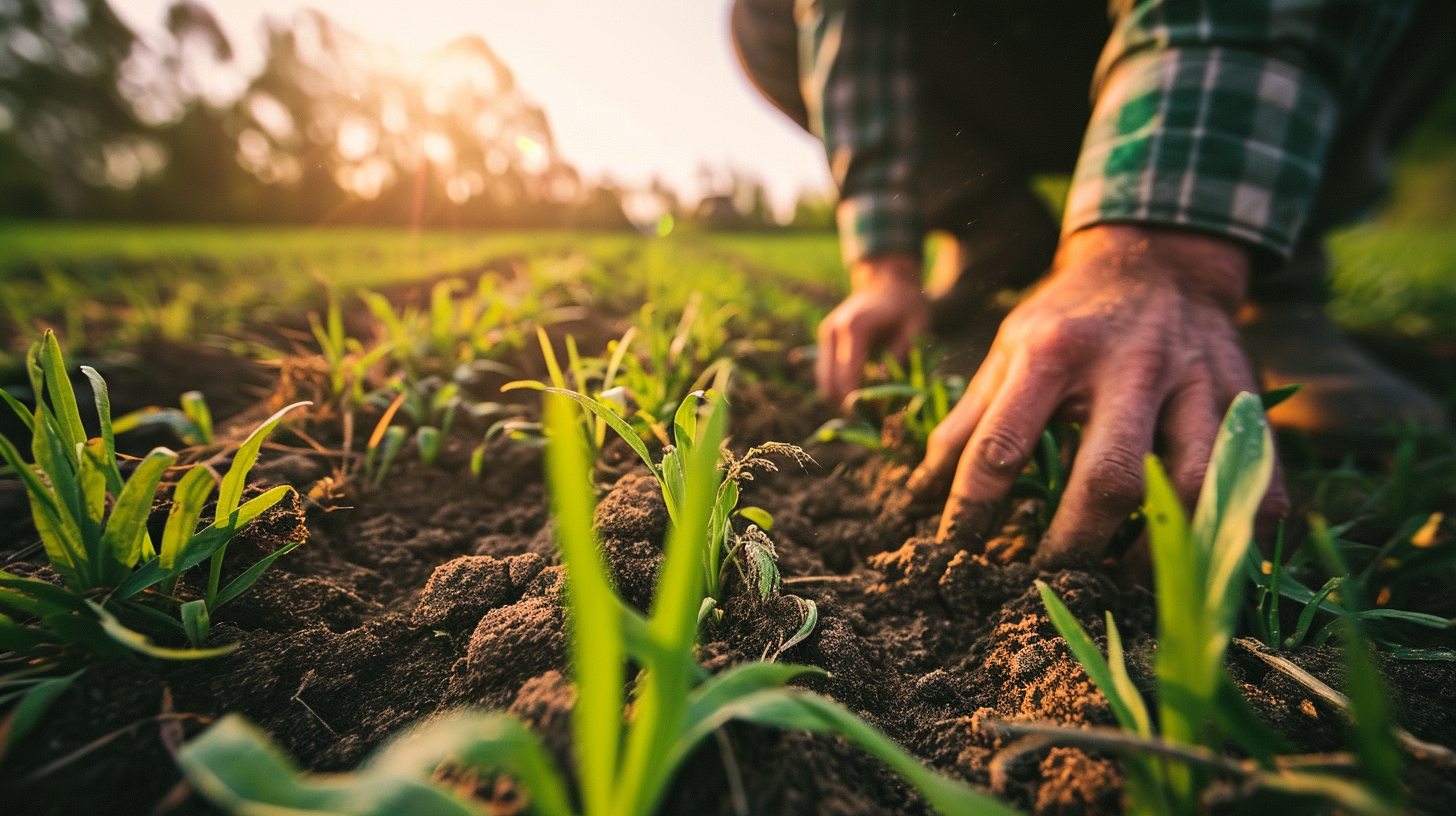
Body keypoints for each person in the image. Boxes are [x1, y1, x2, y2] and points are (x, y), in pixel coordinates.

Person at [732, 0, 1455, 570]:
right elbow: (847, 20)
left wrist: (1166, 251)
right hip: (1045, 48)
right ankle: (992, 232)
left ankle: (1268, 268)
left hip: (1293, 39)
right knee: (767, 18)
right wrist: (884, 261)